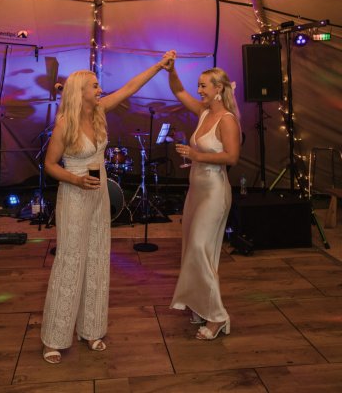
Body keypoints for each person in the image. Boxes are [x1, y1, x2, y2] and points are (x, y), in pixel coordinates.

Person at [41, 52, 175, 363]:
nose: (100, 89)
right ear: (81, 92)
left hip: (98, 192)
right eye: (95, 85)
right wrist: (75, 181)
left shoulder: (99, 111)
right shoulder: (64, 124)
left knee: (98, 258)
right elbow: (50, 165)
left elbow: (129, 88)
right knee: (70, 262)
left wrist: (157, 66)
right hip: (74, 194)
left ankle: (92, 330)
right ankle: (55, 337)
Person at [166, 59, 241, 340]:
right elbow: (178, 91)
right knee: (193, 250)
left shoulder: (227, 120)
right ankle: (200, 305)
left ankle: (218, 316)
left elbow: (231, 158)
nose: (198, 90)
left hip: (214, 191)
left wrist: (197, 155)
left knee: (200, 248)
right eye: (198, 85)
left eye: (203, 85)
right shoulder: (203, 112)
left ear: (219, 88)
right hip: (195, 190)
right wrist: (171, 70)